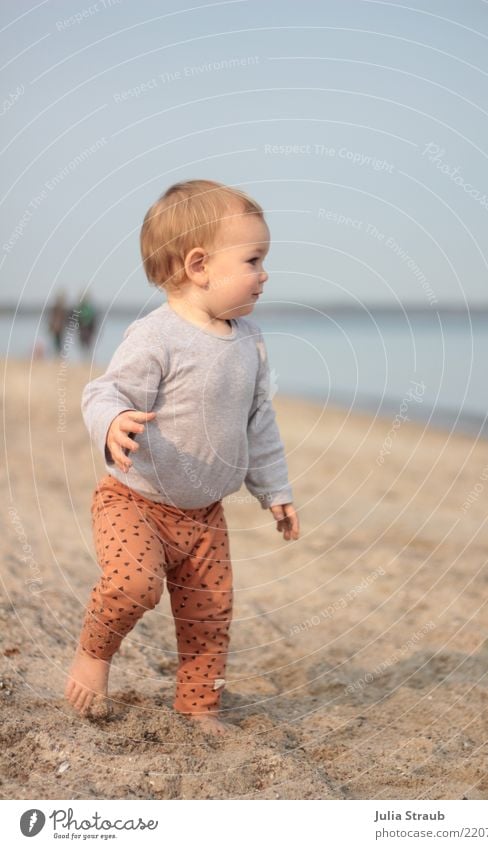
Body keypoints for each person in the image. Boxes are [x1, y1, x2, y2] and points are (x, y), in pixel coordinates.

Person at [64, 179, 300, 736]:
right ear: (199, 266)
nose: (264, 274)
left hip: (205, 516)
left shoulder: (250, 341)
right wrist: (114, 423)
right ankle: (92, 658)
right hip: (135, 501)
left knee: (209, 617)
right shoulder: (158, 337)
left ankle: (198, 706)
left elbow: (258, 420)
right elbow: (104, 392)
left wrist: (276, 491)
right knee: (132, 586)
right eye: (253, 259)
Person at [48, 290, 68, 355]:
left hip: (60, 328)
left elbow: (65, 319)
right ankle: (57, 354)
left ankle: (58, 354)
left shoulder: (62, 309)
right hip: (56, 328)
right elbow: (52, 318)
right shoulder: (56, 308)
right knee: (57, 341)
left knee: (59, 342)